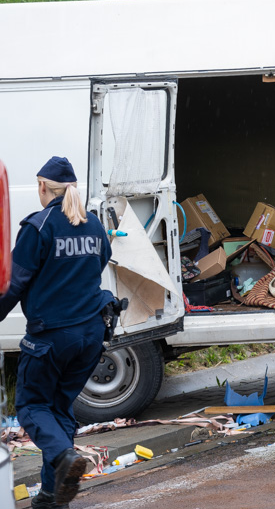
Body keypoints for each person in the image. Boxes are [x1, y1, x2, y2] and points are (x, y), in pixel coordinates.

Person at [0, 157, 113, 508]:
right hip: (91, 335)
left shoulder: (39, 226)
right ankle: (52, 497)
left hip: (52, 337)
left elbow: (14, 282)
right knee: (59, 410)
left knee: (32, 406)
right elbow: (101, 260)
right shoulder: (93, 224)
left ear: (43, 187)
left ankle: (64, 458)